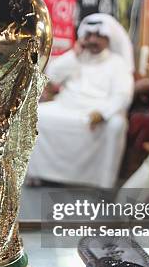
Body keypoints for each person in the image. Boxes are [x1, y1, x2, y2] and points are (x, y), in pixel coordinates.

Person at [28, 13, 135, 188]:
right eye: (89, 36)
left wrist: (103, 113)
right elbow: (52, 76)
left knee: (116, 125)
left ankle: (102, 183)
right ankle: (40, 174)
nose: (93, 40)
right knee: (36, 115)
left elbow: (123, 95)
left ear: (109, 39)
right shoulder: (77, 57)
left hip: (98, 112)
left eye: (98, 36)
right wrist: (74, 55)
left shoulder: (117, 63)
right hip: (67, 105)